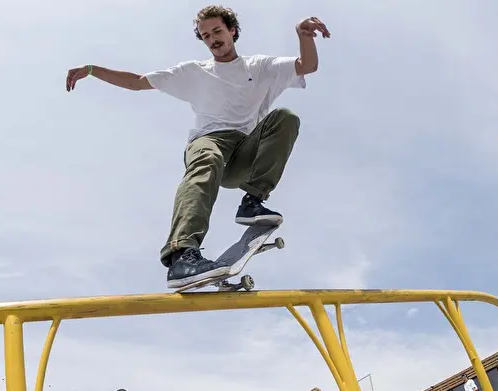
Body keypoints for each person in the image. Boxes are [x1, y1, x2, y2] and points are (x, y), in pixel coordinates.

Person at [66, 6, 330, 288]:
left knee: (286, 118)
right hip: (209, 140)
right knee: (208, 158)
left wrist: (304, 36)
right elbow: (138, 82)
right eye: (205, 36)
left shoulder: (261, 66)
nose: (213, 39)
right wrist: (92, 70)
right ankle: (181, 255)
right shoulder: (194, 71)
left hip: (244, 152)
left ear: (232, 31)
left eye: (217, 31)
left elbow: (307, 66)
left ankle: (252, 201)